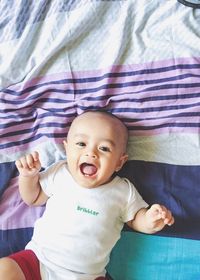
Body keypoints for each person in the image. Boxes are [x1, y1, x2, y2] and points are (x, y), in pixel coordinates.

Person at [0, 111, 174, 280]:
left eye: (104, 148)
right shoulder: (60, 173)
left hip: (88, 275)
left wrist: (151, 219)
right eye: (81, 144)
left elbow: (136, 219)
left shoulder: (123, 191)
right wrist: (28, 177)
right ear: (66, 149)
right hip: (39, 262)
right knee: (5, 269)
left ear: (119, 162)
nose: (91, 153)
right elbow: (33, 197)